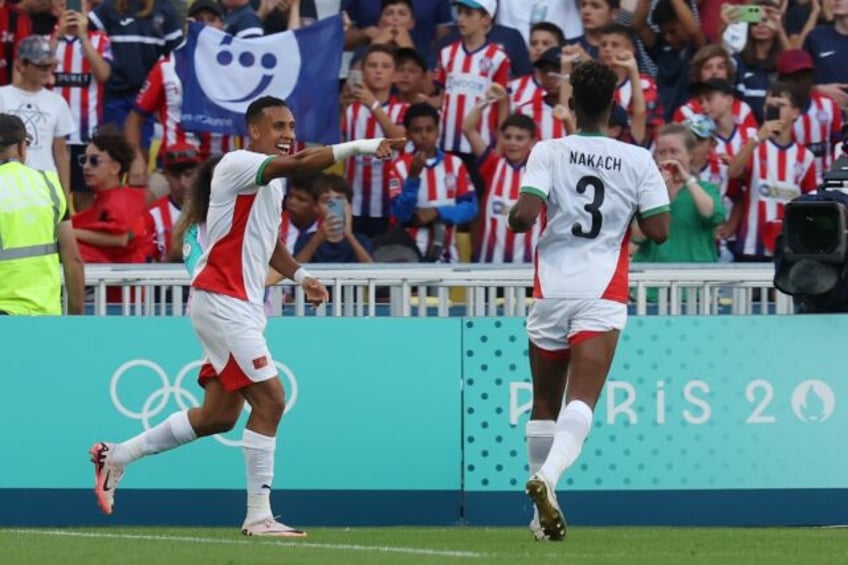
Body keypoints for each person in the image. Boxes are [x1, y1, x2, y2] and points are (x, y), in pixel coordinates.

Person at [89, 95, 404, 537]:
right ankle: (259, 515)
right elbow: (298, 166)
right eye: (277, 126)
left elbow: (268, 243)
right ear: (253, 130)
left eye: (291, 126)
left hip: (239, 306)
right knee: (272, 401)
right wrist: (364, 146)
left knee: (218, 416)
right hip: (222, 302)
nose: (288, 134)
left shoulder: (270, 185)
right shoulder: (238, 163)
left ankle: (116, 455)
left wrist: (301, 276)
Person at [507, 60, 670, 541]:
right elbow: (659, 231)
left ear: (572, 104)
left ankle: (539, 519)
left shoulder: (549, 150)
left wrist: (518, 217)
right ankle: (548, 478)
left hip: (551, 289)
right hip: (602, 288)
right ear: (614, 105)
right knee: (583, 398)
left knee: (543, 402)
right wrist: (623, 217)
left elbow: (525, 215)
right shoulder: (637, 158)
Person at [0, 113, 84, 315]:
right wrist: (75, 318)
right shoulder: (49, 184)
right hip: (45, 319)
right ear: (21, 147)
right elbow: (73, 261)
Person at [389, 102, 478, 263]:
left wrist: (438, 212)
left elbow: (471, 208)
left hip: (447, 258)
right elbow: (400, 215)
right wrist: (413, 178)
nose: (424, 135)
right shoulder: (399, 166)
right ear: (408, 134)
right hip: (409, 258)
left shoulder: (455, 164)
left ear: (438, 131)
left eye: (429, 129)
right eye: (417, 131)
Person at [632, 123, 725, 263]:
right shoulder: (646, 191)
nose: (668, 158)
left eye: (674, 151)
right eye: (662, 153)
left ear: (690, 155)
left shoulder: (707, 189)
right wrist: (655, 191)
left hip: (694, 279)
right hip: (655, 280)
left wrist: (687, 179)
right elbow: (638, 236)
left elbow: (711, 214)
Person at [0, 35, 75, 206]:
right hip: (8, 186)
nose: (48, 71)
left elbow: (61, 153)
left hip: (45, 186)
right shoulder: (2, 96)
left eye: (52, 66)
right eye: (42, 66)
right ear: (21, 65)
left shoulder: (57, 102)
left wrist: (63, 196)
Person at [71, 128, 151, 263]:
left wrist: (68, 234)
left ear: (115, 168)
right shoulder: (105, 198)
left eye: (94, 161)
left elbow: (121, 239)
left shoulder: (123, 199)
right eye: (84, 160)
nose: (86, 166)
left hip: (123, 280)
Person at [294, 173, 375, 263]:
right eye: (327, 201)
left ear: (349, 205)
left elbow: (372, 270)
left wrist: (349, 236)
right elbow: (296, 268)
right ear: (316, 207)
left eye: (339, 199)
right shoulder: (305, 240)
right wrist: (317, 238)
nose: (333, 205)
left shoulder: (362, 241)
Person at [146, 142, 202, 263]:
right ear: (165, 176)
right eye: (175, 176)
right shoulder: (153, 214)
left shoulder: (211, 209)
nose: (182, 183)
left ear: (198, 174)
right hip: (166, 280)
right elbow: (146, 261)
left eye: (188, 175)